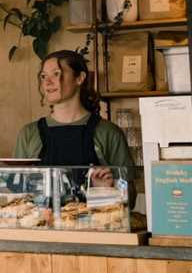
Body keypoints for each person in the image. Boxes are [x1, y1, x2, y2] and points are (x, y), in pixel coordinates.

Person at [14, 50, 135, 194]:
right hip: (41, 217)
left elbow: (130, 196)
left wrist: (107, 189)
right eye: (43, 76)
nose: (47, 82)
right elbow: (15, 192)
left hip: (96, 217)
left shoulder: (108, 132)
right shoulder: (28, 134)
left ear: (80, 78)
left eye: (56, 74)